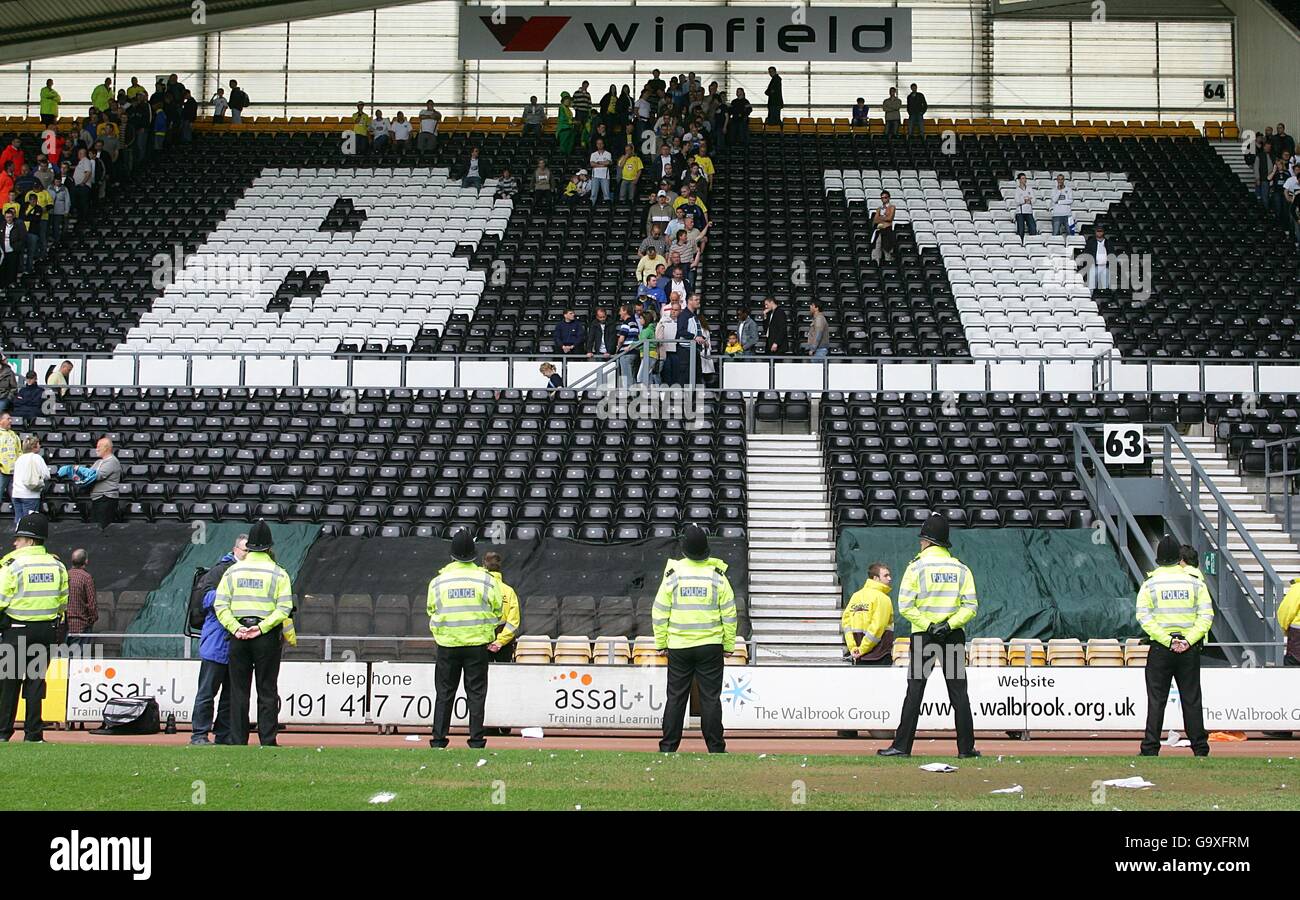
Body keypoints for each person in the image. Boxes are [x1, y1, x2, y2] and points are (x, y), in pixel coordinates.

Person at [879, 514, 980, 759]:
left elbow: (905, 605)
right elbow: (971, 606)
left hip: (924, 637)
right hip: (953, 636)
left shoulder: (916, 567)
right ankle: (965, 749)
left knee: (915, 691)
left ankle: (902, 746)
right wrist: (948, 624)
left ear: (926, 541)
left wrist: (929, 625)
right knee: (958, 693)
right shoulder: (961, 569)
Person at [655, 523, 736, 754]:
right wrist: (728, 645)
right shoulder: (717, 577)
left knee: (675, 698)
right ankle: (716, 748)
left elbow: (659, 611)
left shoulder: (673, 575)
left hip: (679, 646)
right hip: (710, 646)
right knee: (710, 698)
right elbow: (729, 613)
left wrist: (661, 643)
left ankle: (668, 747)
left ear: (684, 549)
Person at [213, 519, 293, 747]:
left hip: (238, 636)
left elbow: (220, 605)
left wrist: (236, 628)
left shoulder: (232, 571)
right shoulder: (279, 574)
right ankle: (267, 740)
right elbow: (284, 608)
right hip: (265, 637)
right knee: (267, 689)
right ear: (269, 547)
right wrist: (261, 627)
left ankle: (238, 740)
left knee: (238, 691)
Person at [1136, 534, 1213, 757]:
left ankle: (1150, 747)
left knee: (1156, 700)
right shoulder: (1195, 582)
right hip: (1189, 650)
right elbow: (1206, 616)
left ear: (1158, 558)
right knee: (1191, 698)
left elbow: (1144, 617)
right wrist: (1187, 641)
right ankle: (1200, 748)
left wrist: (1167, 640)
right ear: (1179, 558)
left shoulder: (1150, 584)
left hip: (1161, 649)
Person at [427, 529, 502, 749]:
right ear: (474, 554)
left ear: (452, 555)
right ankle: (476, 740)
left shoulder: (438, 582)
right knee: (476, 693)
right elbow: (497, 611)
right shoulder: (487, 580)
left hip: (447, 645)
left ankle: (438, 740)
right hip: (477, 644)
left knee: (444, 693)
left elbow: (431, 609)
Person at [0, 513, 68, 742]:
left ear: (29, 540)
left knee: (9, 683)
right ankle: (34, 734)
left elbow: (0, 599)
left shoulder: (13, 564)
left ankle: (3, 733)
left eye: (18, 538)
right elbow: (63, 601)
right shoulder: (57, 564)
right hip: (46, 630)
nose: (15, 542)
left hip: (16, 629)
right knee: (36, 681)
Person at [191, 534, 247, 745]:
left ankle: (222, 736)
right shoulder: (219, 570)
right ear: (235, 550)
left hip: (235, 643)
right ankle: (199, 735)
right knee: (207, 693)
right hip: (217, 642)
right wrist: (232, 593)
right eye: (244, 550)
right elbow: (206, 599)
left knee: (229, 697)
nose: (247, 554)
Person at [12, 436, 48, 525]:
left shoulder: (19, 459)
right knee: (29, 523)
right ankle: (28, 539)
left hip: (16, 494)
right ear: (34, 446)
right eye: (38, 444)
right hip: (30, 495)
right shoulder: (37, 458)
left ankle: (19, 538)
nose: (40, 446)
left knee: (19, 522)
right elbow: (46, 475)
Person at [65, 548, 97, 644]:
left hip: (65, 626)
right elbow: (92, 603)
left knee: (65, 657)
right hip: (81, 625)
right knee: (79, 656)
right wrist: (92, 619)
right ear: (86, 561)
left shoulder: (65, 575)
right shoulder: (86, 578)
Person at [87, 436, 121, 526]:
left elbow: (97, 476)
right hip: (97, 499)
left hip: (106, 499)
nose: (96, 449)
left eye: (99, 446)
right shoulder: (98, 462)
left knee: (102, 526)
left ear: (107, 448)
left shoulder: (112, 461)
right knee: (94, 526)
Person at [1083, 224, 1112, 290]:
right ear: (1095, 232)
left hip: (1105, 267)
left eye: (1100, 231)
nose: (1099, 232)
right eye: (1097, 231)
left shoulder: (1108, 243)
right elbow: (1086, 253)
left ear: (1103, 232)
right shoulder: (1090, 242)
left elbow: (1112, 254)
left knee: (1105, 286)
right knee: (1091, 286)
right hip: (1093, 267)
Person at [871, 190, 896, 263]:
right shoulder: (879, 208)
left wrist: (881, 217)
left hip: (887, 230)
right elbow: (875, 220)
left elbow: (890, 218)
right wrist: (884, 217)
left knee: (887, 248)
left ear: (888, 198)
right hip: (879, 230)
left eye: (885, 197)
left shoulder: (892, 207)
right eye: (882, 198)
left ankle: (888, 264)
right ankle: (876, 263)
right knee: (877, 247)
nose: (883, 199)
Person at [1280, 576, 1300, 666]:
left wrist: (1284, 629)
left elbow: (1285, 611)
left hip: (1297, 635)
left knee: (1293, 663)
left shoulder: (1297, 588)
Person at [588, 137, 612, 205]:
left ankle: (607, 209)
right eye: (598, 144)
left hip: (605, 177)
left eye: (601, 143)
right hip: (595, 177)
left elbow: (608, 163)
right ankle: (591, 209)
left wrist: (597, 163)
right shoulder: (593, 154)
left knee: (606, 195)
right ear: (596, 145)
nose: (600, 145)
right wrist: (602, 164)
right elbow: (592, 164)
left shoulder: (608, 154)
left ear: (603, 144)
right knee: (593, 195)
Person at [0, 413, 18, 502]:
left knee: (16, 498)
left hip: (14, 471)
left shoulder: (13, 435)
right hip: (1, 471)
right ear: (1, 421)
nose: (11, 421)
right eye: (8, 419)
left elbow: (19, 451)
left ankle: (19, 516)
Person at [1013, 172, 1037, 239]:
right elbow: (1017, 201)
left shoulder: (1030, 189)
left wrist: (1028, 200)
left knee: (1033, 228)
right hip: (1020, 213)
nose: (1025, 180)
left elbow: (1034, 199)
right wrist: (1025, 200)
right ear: (1019, 180)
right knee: (1021, 230)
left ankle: (1033, 242)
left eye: (1025, 178)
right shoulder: (1017, 190)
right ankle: (1021, 243)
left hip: (1029, 212)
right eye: (1023, 178)